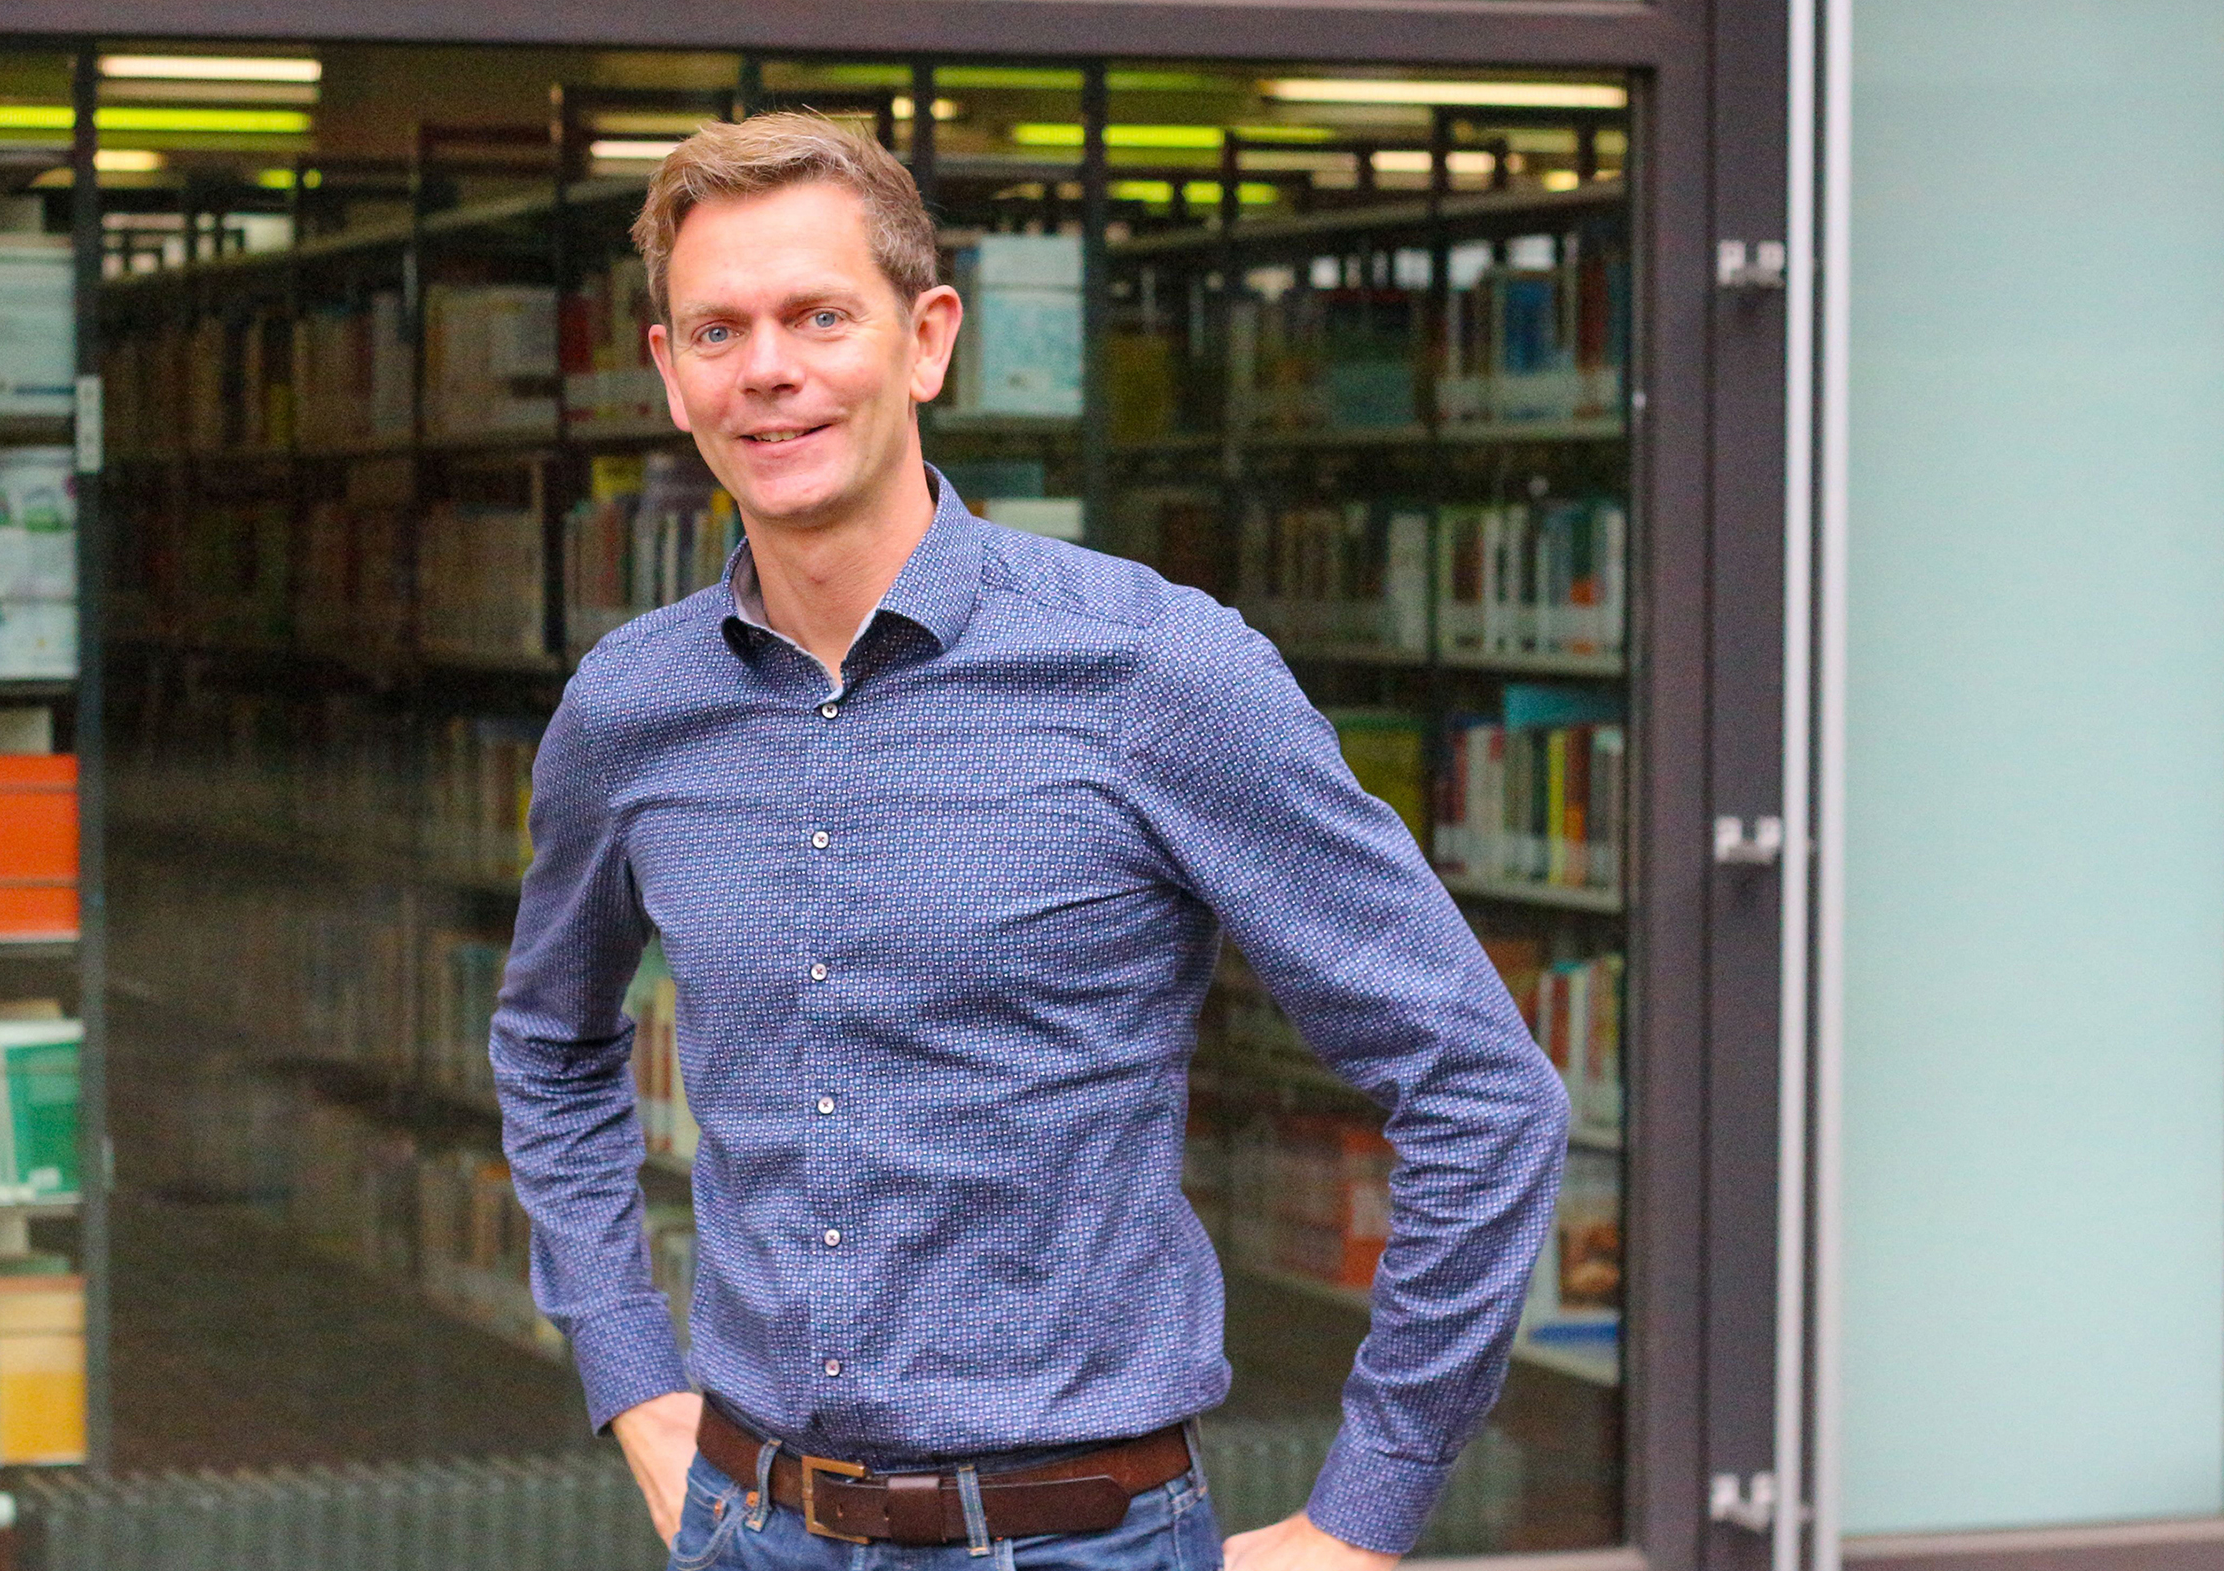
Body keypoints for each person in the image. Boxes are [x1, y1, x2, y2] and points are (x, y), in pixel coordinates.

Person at [489, 112, 1570, 1571]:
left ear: (927, 341)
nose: (768, 369)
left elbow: (1479, 1091)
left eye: (820, 316)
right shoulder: (630, 706)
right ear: (669, 374)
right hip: (750, 1529)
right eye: (717, 330)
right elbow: (549, 1045)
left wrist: (1361, 1518)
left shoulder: (1152, 673)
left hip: (1075, 1539)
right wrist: (630, 1376)